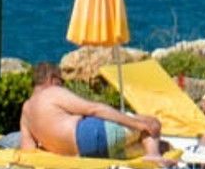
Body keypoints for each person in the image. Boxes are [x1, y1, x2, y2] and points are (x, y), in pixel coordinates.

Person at [19, 63, 163, 160]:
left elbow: (28, 150)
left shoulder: (26, 111)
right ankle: (154, 158)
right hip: (92, 134)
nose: (63, 85)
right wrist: (136, 124)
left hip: (86, 153)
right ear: (52, 79)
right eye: (61, 81)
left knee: (154, 144)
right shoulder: (52, 92)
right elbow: (94, 109)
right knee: (151, 123)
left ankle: (152, 154)